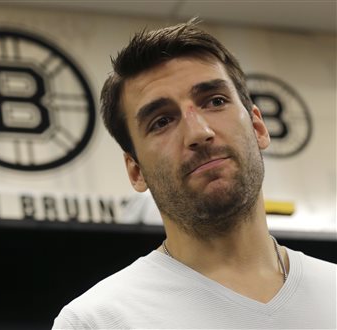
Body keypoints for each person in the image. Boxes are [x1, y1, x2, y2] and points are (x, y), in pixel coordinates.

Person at [52, 19, 336, 329]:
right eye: (161, 121)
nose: (199, 133)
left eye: (215, 101)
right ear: (135, 171)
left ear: (258, 127)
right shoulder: (98, 321)